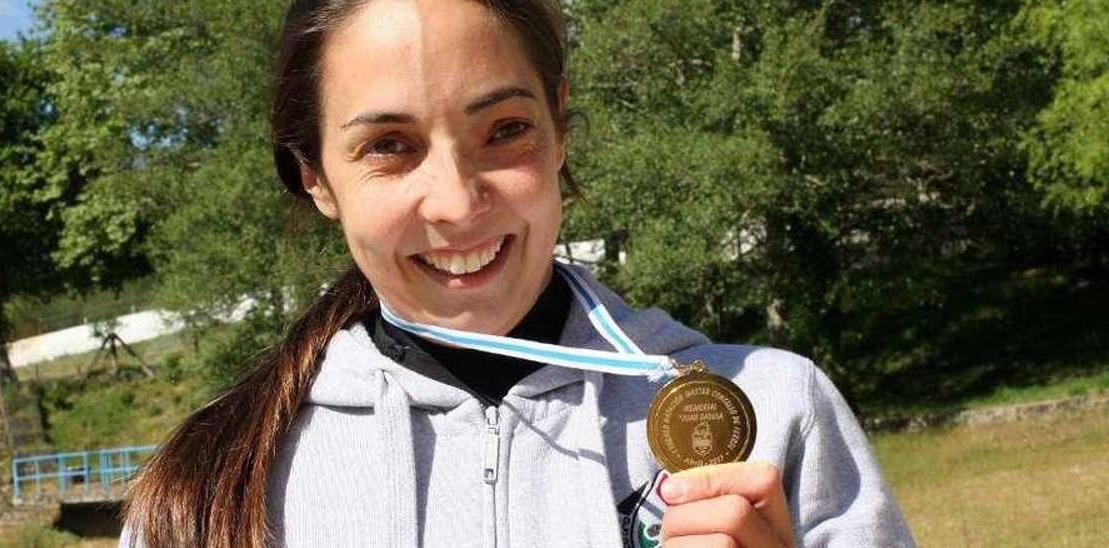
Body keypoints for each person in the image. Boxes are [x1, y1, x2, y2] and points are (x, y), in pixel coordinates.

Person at [120, 0, 915, 546]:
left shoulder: (775, 413)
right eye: (389, 146)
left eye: (504, 130)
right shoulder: (212, 489)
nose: (458, 203)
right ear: (315, 177)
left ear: (559, 126)